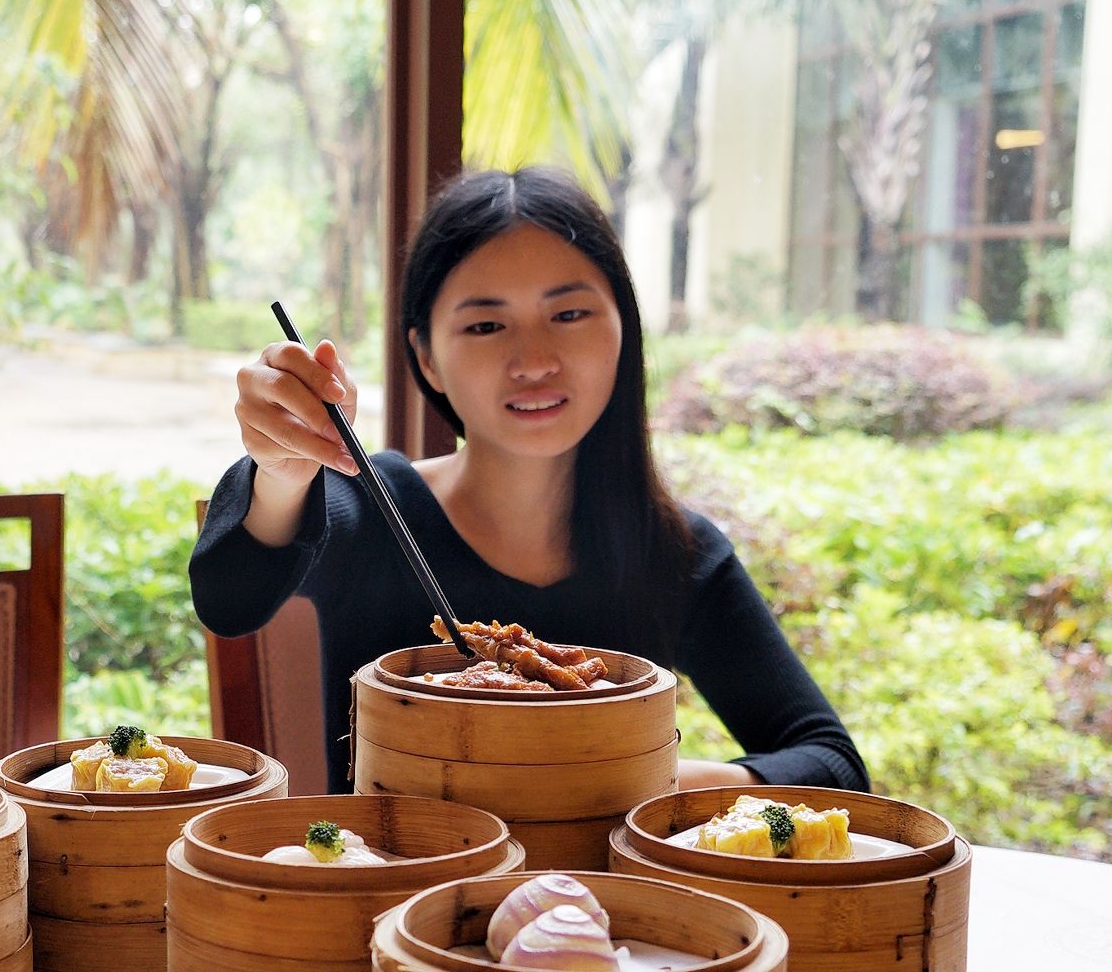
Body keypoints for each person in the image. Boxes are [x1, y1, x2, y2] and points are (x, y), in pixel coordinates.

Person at [191, 165, 868, 797]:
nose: (534, 359)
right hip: (390, 907)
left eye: (569, 314)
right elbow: (230, 595)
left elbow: (830, 763)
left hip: (607, 921)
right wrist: (283, 470)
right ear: (426, 356)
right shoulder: (376, 510)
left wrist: (626, 774)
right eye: (486, 325)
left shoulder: (672, 551)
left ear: (623, 331)